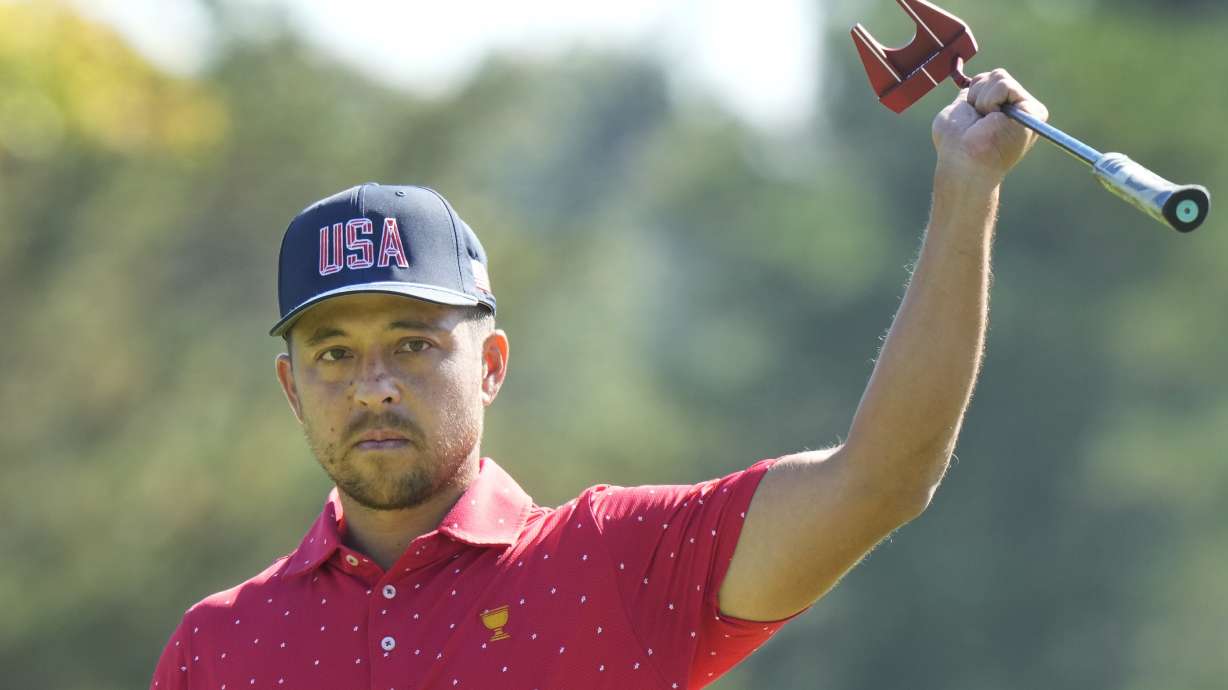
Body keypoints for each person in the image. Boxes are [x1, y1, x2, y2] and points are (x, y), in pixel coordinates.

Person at [151, 69, 1047, 689]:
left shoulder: (617, 566)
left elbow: (879, 480)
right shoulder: (219, 646)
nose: (374, 385)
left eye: (415, 344)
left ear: (491, 365)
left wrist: (966, 189)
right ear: (290, 388)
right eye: (334, 353)